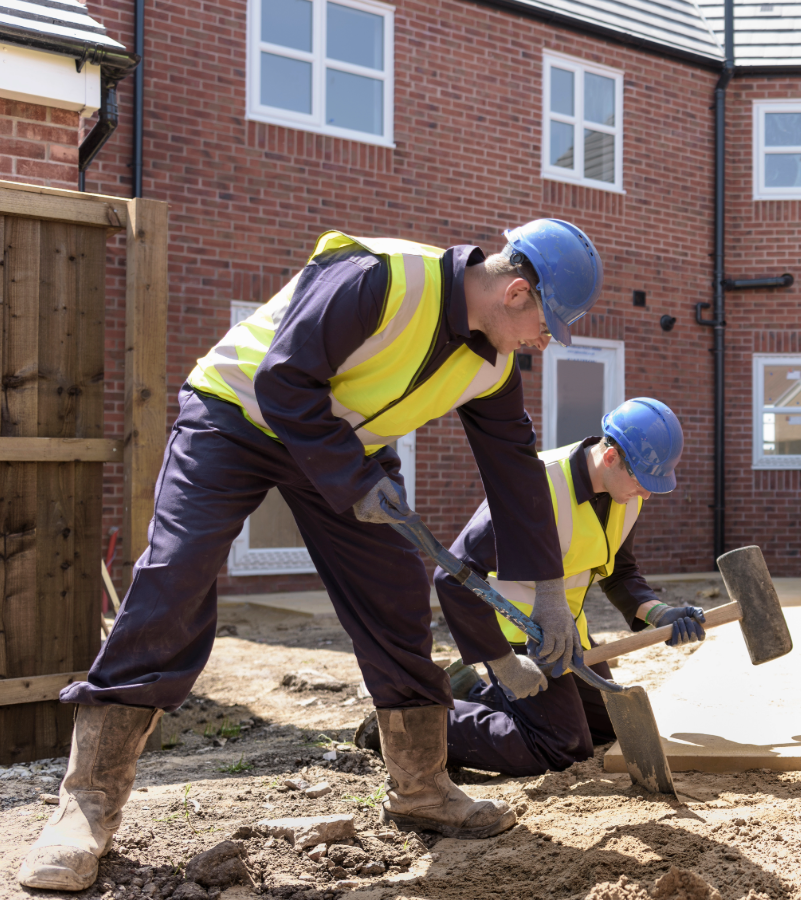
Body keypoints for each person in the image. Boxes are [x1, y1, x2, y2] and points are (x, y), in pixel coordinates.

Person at [18, 219, 604, 892]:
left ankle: (421, 788)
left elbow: (515, 470)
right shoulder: (379, 276)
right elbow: (284, 380)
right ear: (517, 293)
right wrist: (354, 484)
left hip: (345, 448)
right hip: (236, 416)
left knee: (397, 600)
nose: (544, 346)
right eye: (547, 329)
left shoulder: (492, 364)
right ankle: (84, 809)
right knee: (174, 579)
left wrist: (551, 592)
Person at [427, 398, 707, 777]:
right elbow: (452, 574)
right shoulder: (534, 484)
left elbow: (619, 574)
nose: (647, 494)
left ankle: (479, 696)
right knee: (559, 745)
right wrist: (505, 665)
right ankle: (418, 719)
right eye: (642, 480)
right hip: (516, 639)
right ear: (610, 457)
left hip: (567, 635)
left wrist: (658, 613)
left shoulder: (625, 496)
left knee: (611, 726)